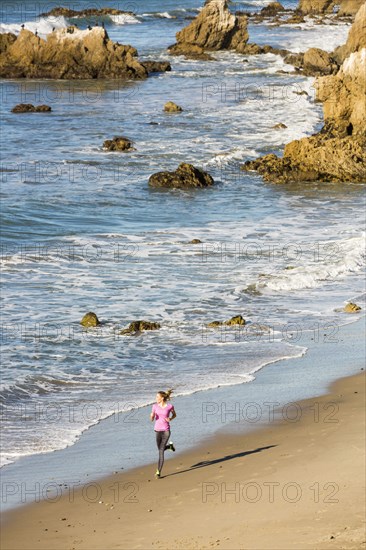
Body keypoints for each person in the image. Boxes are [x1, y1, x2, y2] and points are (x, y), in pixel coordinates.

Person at [150, 389, 176, 478]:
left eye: (157, 396)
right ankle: (170, 447)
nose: (156, 398)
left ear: (162, 398)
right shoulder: (154, 406)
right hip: (157, 430)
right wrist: (151, 416)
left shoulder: (170, 406)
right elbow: (151, 419)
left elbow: (174, 415)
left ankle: (158, 472)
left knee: (161, 451)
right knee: (160, 448)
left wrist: (171, 419)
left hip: (166, 430)